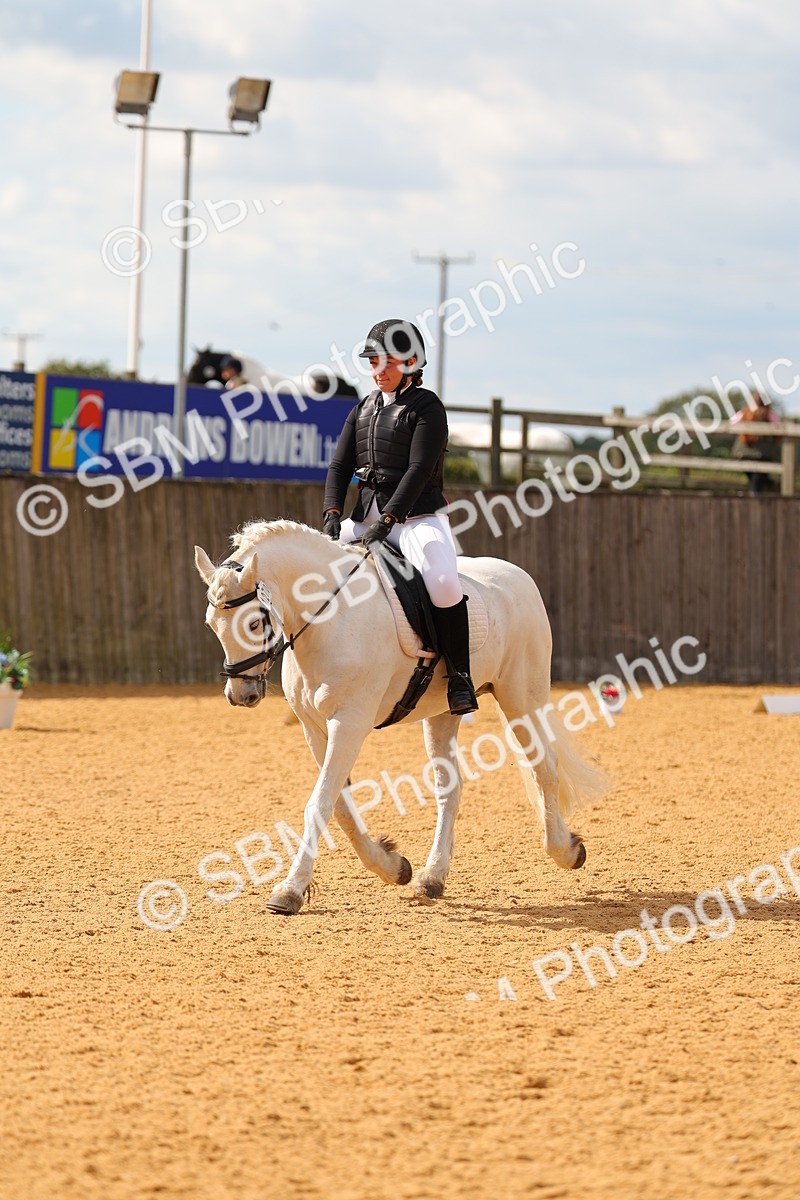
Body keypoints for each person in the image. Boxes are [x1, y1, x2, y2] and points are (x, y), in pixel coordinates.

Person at [322, 318, 478, 715]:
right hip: (363, 517)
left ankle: (460, 679)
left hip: (416, 519)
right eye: (374, 362)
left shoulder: (428, 408)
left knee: (443, 581)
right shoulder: (363, 408)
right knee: (312, 570)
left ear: (411, 362)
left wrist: (388, 521)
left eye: (388, 362)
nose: (380, 371)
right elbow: (340, 464)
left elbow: (418, 470)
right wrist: (332, 512)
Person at [731, 393, 779, 494]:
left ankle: (760, 489)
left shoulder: (745, 411)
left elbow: (732, 423)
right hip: (763, 453)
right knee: (759, 476)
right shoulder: (769, 414)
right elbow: (778, 427)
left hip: (744, 451)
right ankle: (762, 489)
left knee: (755, 477)